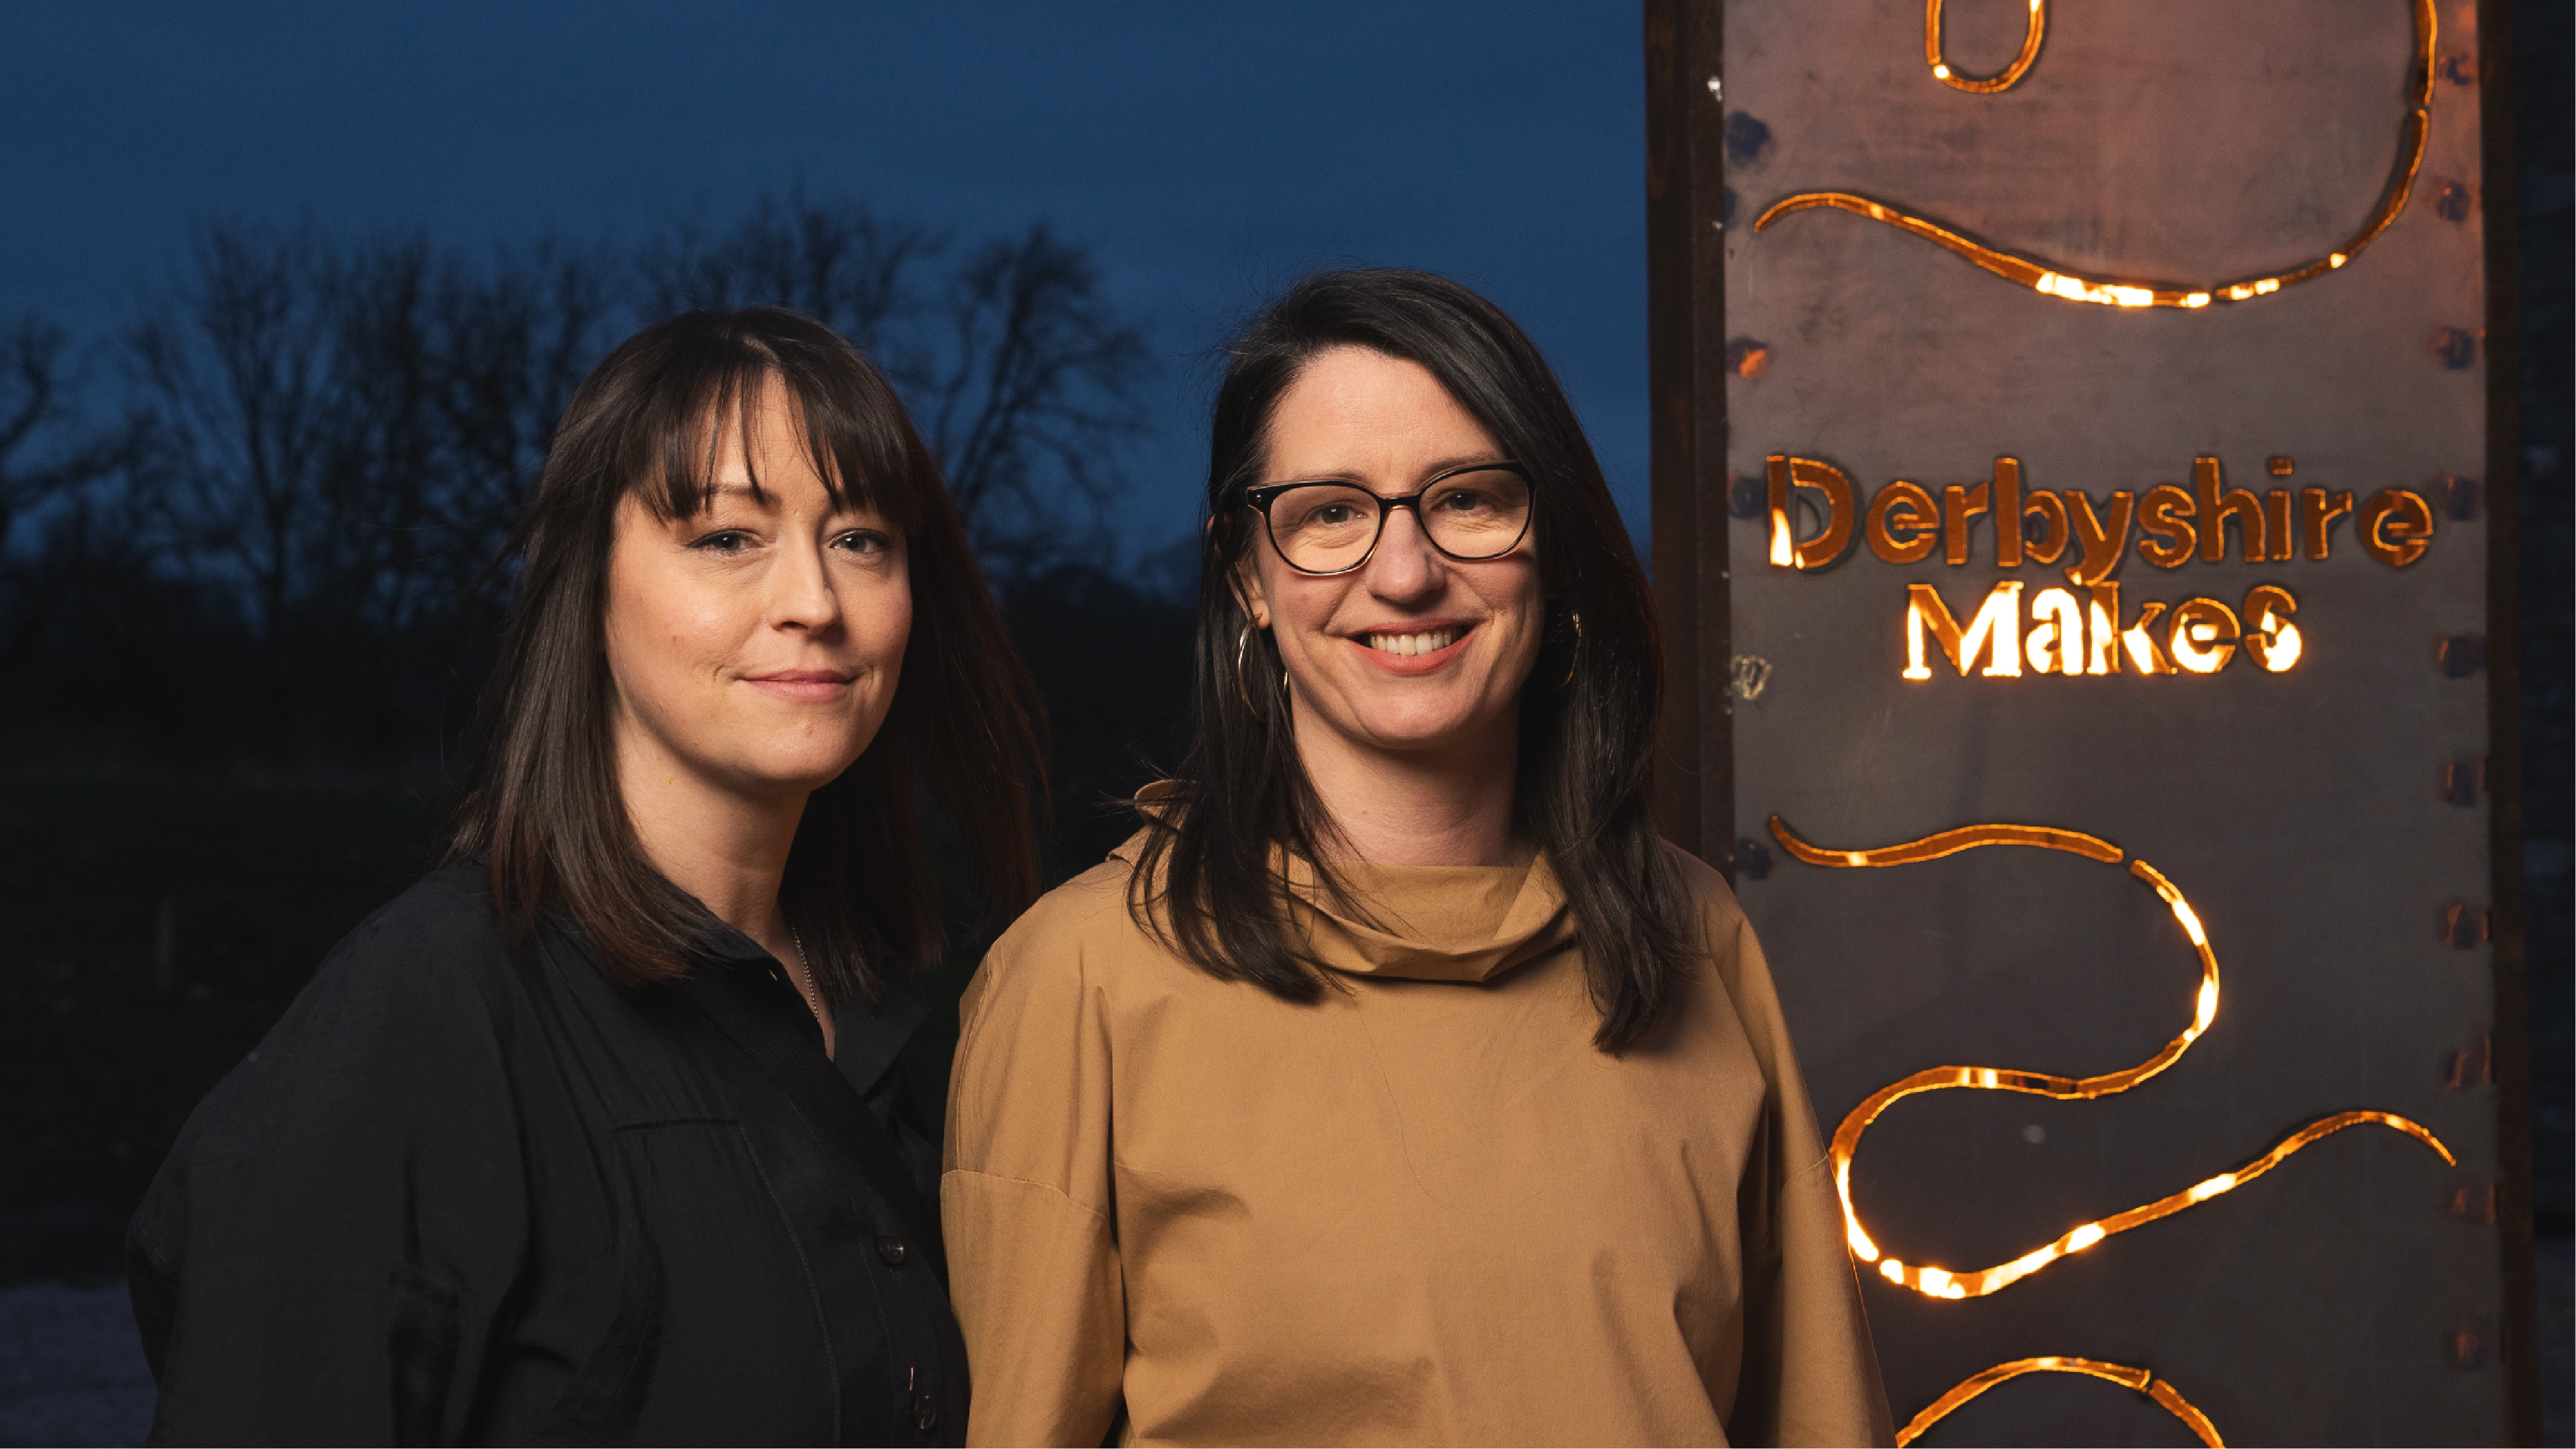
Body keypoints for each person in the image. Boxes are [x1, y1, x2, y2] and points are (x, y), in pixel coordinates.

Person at [942, 270, 1895, 1448]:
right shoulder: (1082, 980)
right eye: (1331, 513)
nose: (1404, 572)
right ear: (1246, 573)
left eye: (1470, 499)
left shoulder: (1690, 935)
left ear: (1552, 542)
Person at [126, 306, 1043, 1447]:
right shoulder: (429, 1012)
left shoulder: (864, 1018)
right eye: (726, 538)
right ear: (588, 583)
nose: (815, 600)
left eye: (861, 537)